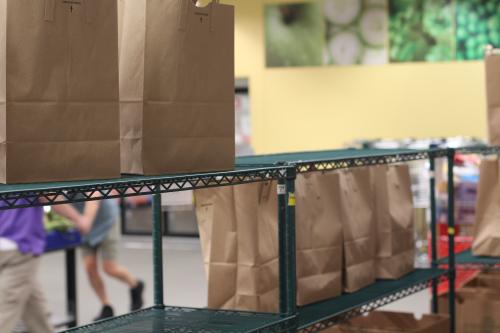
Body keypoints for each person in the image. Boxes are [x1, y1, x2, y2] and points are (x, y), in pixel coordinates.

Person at [0, 200, 91, 333]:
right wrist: (78, 219)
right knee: (6, 310)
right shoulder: (27, 178)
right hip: (20, 243)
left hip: (6, 239)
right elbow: (49, 196)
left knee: (36, 311)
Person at [74, 198, 144, 321]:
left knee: (110, 268)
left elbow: (94, 196)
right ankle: (106, 306)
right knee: (89, 267)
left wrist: (86, 221)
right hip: (83, 224)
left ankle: (135, 285)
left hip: (106, 221)